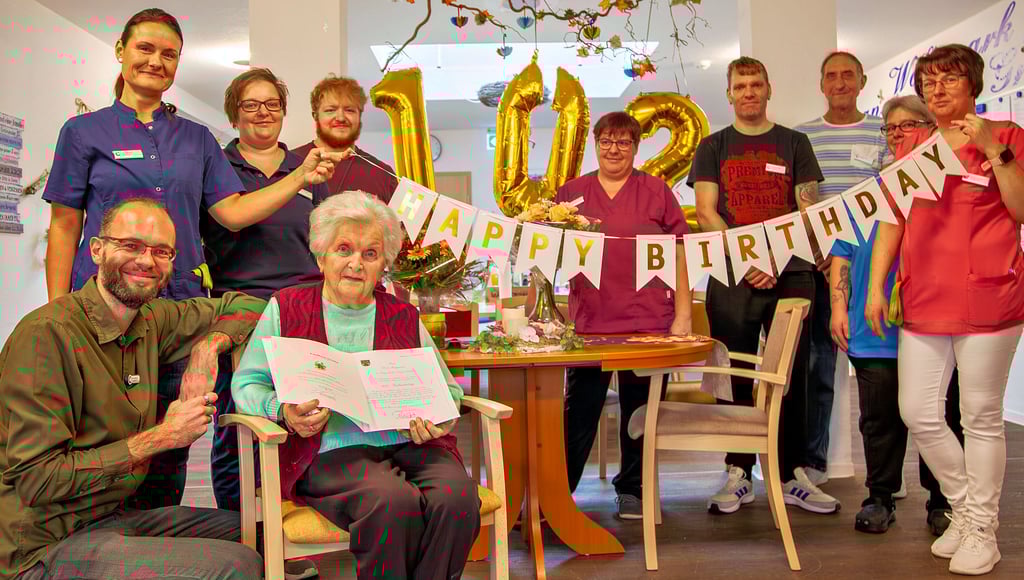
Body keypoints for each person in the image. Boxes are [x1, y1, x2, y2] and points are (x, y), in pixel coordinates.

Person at [40, 8, 342, 512]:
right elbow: (64, 226)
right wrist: (57, 314)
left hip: (175, 308)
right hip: (100, 311)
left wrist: (297, 178)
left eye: (168, 54)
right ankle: (101, 544)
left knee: (172, 436)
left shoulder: (197, 139)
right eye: (145, 49)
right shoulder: (82, 132)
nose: (155, 62)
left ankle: (160, 539)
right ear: (121, 51)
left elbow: (233, 213)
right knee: (102, 430)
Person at [0, 198, 265, 580]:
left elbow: (250, 305)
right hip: (45, 544)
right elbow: (37, 480)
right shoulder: (47, 335)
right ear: (96, 250)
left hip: (112, 518)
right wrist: (162, 437)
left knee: (261, 530)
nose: (146, 260)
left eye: (161, 251)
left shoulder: (150, 320)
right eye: (131, 245)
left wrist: (209, 346)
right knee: (236, 566)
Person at [232, 191, 479, 580]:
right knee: (392, 501)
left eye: (370, 253)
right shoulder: (286, 306)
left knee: (459, 497)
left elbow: (448, 390)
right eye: (343, 249)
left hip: (410, 443)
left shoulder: (403, 314)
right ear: (321, 255)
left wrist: (437, 416)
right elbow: (247, 383)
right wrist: (282, 411)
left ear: (384, 263)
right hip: (328, 452)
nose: (355, 263)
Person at [867, 44, 1024, 576]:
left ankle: (982, 528)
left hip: (989, 297)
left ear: (972, 84)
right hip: (924, 300)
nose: (936, 89)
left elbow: (1021, 208)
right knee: (918, 412)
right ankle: (967, 511)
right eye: (928, 81)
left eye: (948, 79)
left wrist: (994, 150)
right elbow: (892, 219)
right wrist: (874, 286)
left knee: (980, 418)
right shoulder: (914, 148)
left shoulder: (1007, 135)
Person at [688, 56, 839, 515]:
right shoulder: (712, 146)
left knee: (791, 375)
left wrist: (773, 258)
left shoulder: (795, 143)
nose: (749, 92)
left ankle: (792, 472)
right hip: (732, 274)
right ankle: (738, 472)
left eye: (756, 83)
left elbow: (807, 210)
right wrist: (750, 257)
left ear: (768, 89)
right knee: (735, 373)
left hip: (792, 272)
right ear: (729, 93)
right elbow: (707, 212)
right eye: (740, 85)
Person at [200, 67, 330, 515]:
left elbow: (326, 241)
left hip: (303, 312)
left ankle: (290, 524)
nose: (263, 113)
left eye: (272, 104)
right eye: (251, 104)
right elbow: (231, 218)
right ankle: (239, 530)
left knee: (304, 418)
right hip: (241, 313)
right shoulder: (216, 164)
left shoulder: (307, 167)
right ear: (234, 115)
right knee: (239, 425)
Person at [554, 111, 692, 520]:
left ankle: (632, 489)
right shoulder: (571, 192)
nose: (614, 149)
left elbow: (681, 252)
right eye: (607, 141)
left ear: (635, 147)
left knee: (640, 413)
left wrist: (682, 315)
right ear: (595, 144)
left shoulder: (657, 191)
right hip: (591, 323)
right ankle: (559, 493)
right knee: (579, 414)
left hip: (647, 320)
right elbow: (547, 250)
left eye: (624, 142)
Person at [795, 51, 887, 486]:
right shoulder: (804, 136)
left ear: (862, 80)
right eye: (831, 75)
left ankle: (886, 474)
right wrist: (817, 246)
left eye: (848, 74)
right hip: (819, 263)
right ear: (821, 84)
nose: (840, 82)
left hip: (875, 266)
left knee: (881, 369)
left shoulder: (884, 132)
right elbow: (802, 201)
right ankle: (815, 462)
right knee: (819, 366)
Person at [292, 75, 399, 205]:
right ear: (315, 116)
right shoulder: (289, 163)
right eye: (330, 110)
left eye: (349, 110)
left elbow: (400, 225)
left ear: (359, 116)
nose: (341, 118)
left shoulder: (383, 175)